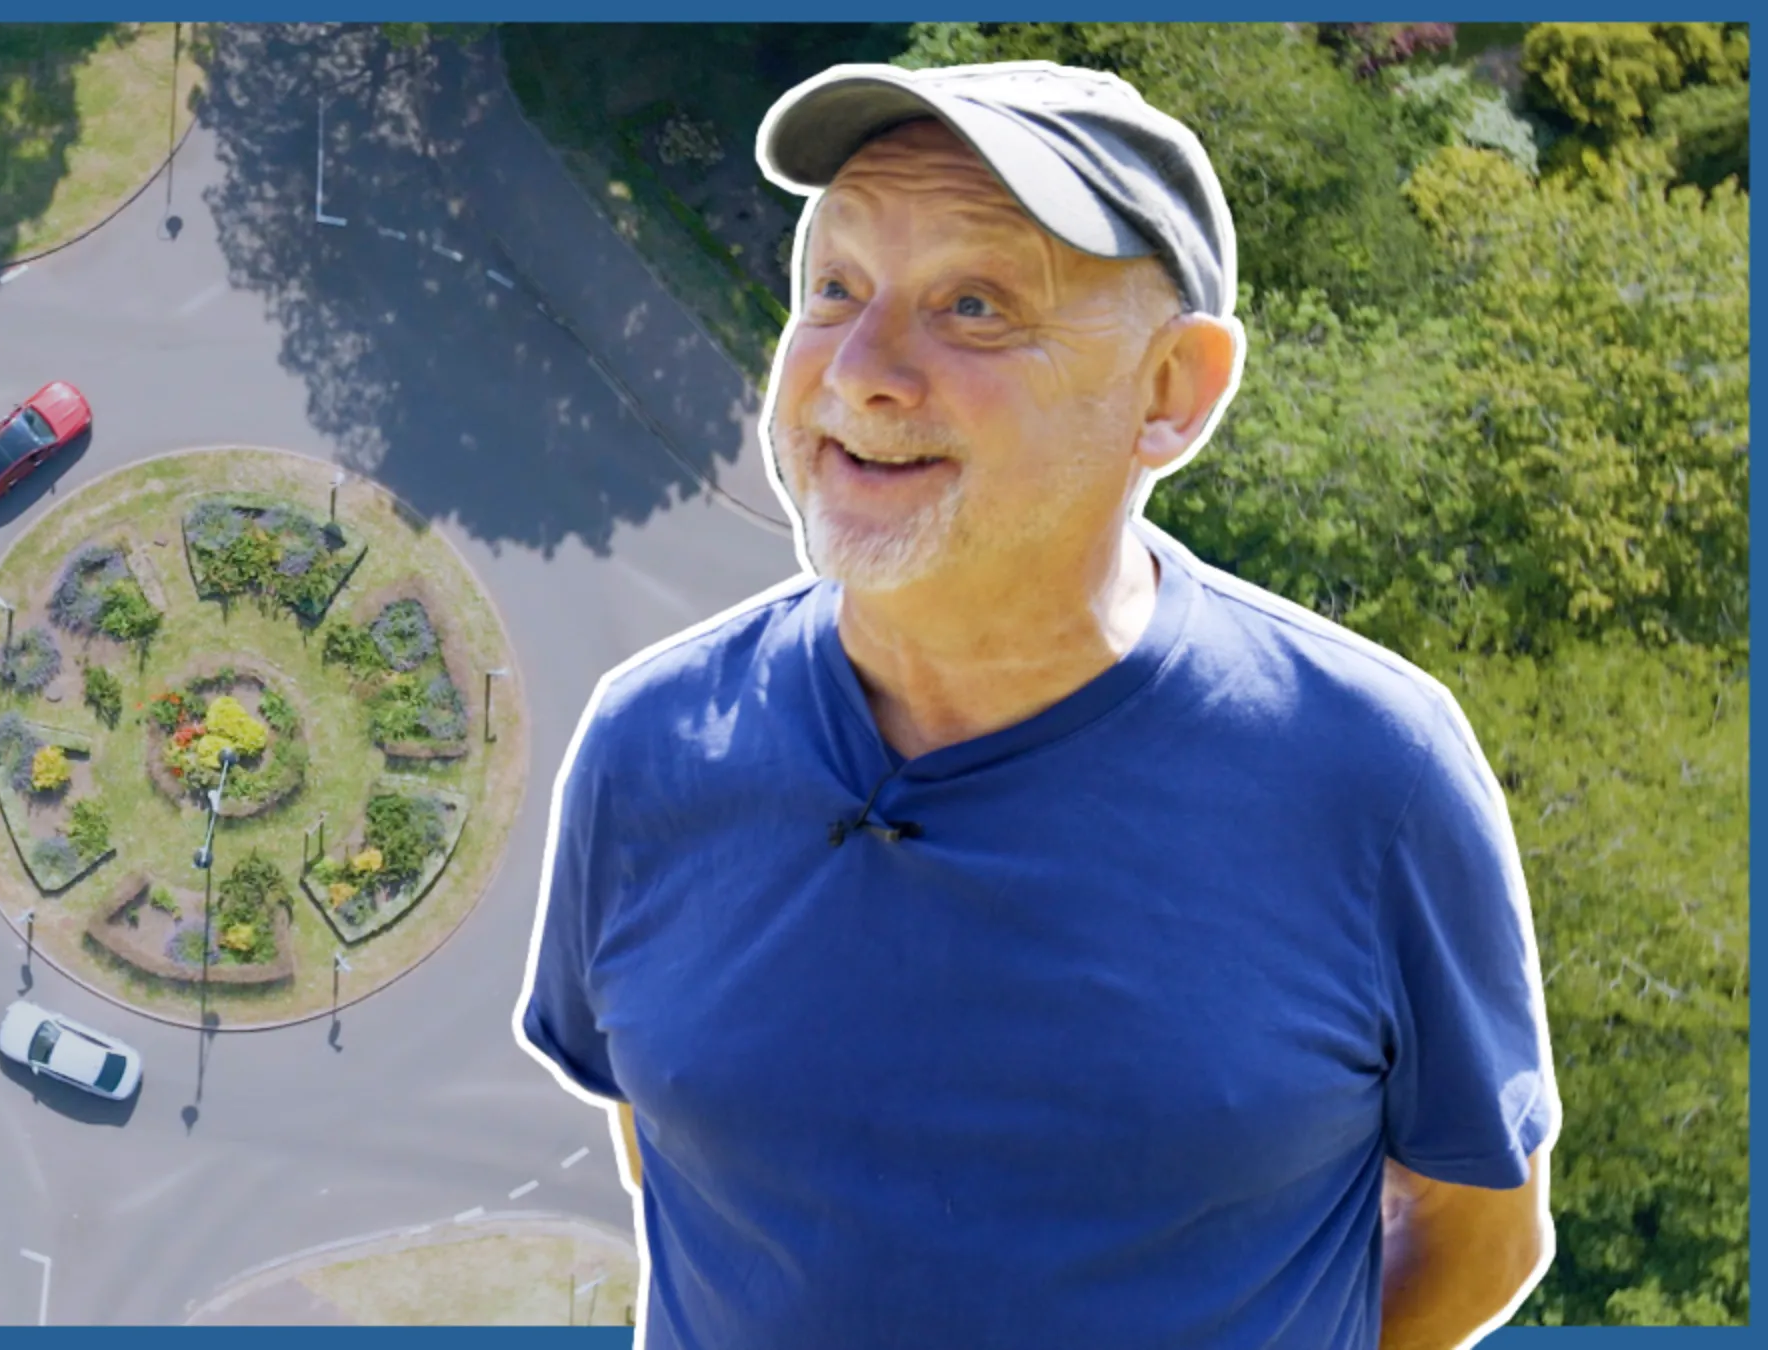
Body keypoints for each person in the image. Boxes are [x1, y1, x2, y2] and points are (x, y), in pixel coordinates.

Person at [515, 59, 1559, 1350]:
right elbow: (674, 1145)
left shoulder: (1370, 770)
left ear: (1173, 391)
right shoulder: (652, 740)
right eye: (833, 287)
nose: (865, 371)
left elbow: (1478, 1230)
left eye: (974, 304)